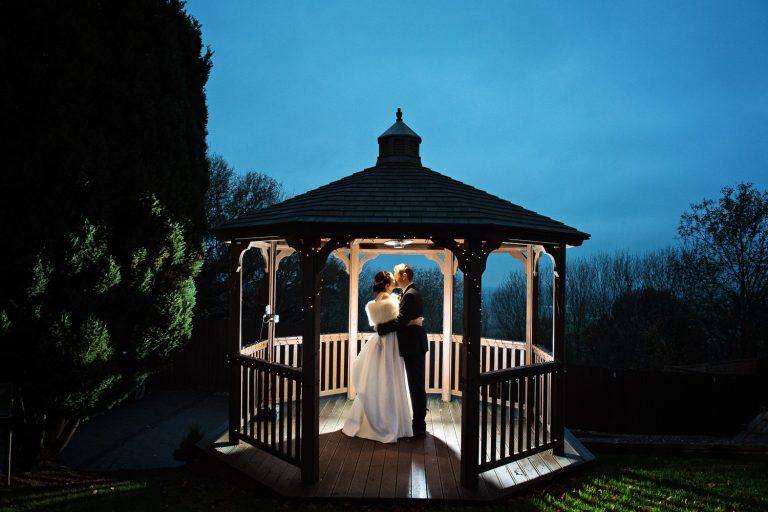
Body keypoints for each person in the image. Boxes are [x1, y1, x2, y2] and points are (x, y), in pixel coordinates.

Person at [342, 271, 422, 443]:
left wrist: (381, 327)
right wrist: (414, 322)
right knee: (390, 379)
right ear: (386, 285)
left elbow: (379, 325)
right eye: (392, 281)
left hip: (381, 342)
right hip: (391, 342)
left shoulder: (374, 302)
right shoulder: (389, 300)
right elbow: (396, 322)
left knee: (379, 380)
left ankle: (376, 417)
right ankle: (389, 422)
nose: (394, 283)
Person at [376, 264, 429, 437]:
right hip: (412, 345)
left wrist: (381, 328)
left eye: (397, 274)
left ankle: (419, 426)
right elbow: (405, 320)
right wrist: (413, 322)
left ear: (404, 275)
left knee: (416, 387)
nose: (395, 277)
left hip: (413, 346)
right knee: (416, 385)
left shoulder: (410, 295)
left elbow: (399, 321)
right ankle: (417, 423)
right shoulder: (409, 294)